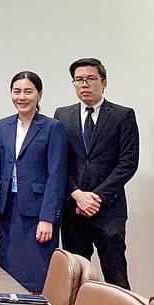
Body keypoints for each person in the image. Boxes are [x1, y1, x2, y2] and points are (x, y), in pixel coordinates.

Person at [54, 58, 139, 290]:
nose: (85, 84)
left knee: (116, 277)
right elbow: (58, 162)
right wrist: (76, 194)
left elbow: (128, 163)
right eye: (79, 80)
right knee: (75, 279)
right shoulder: (62, 115)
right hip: (73, 210)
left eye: (91, 79)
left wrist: (95, 198)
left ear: (104, 82)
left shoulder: (122, 115)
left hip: (109, 211)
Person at [0, 71, 67, 293]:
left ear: (39, 95)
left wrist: (48, 218)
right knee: (8, 277)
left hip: (38, 214)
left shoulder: (52, 127)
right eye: (17, 91)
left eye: (28, 91)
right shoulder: (2, 126)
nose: (22, 97)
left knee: (37, 277)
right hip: (8, 211)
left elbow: (56, 176)